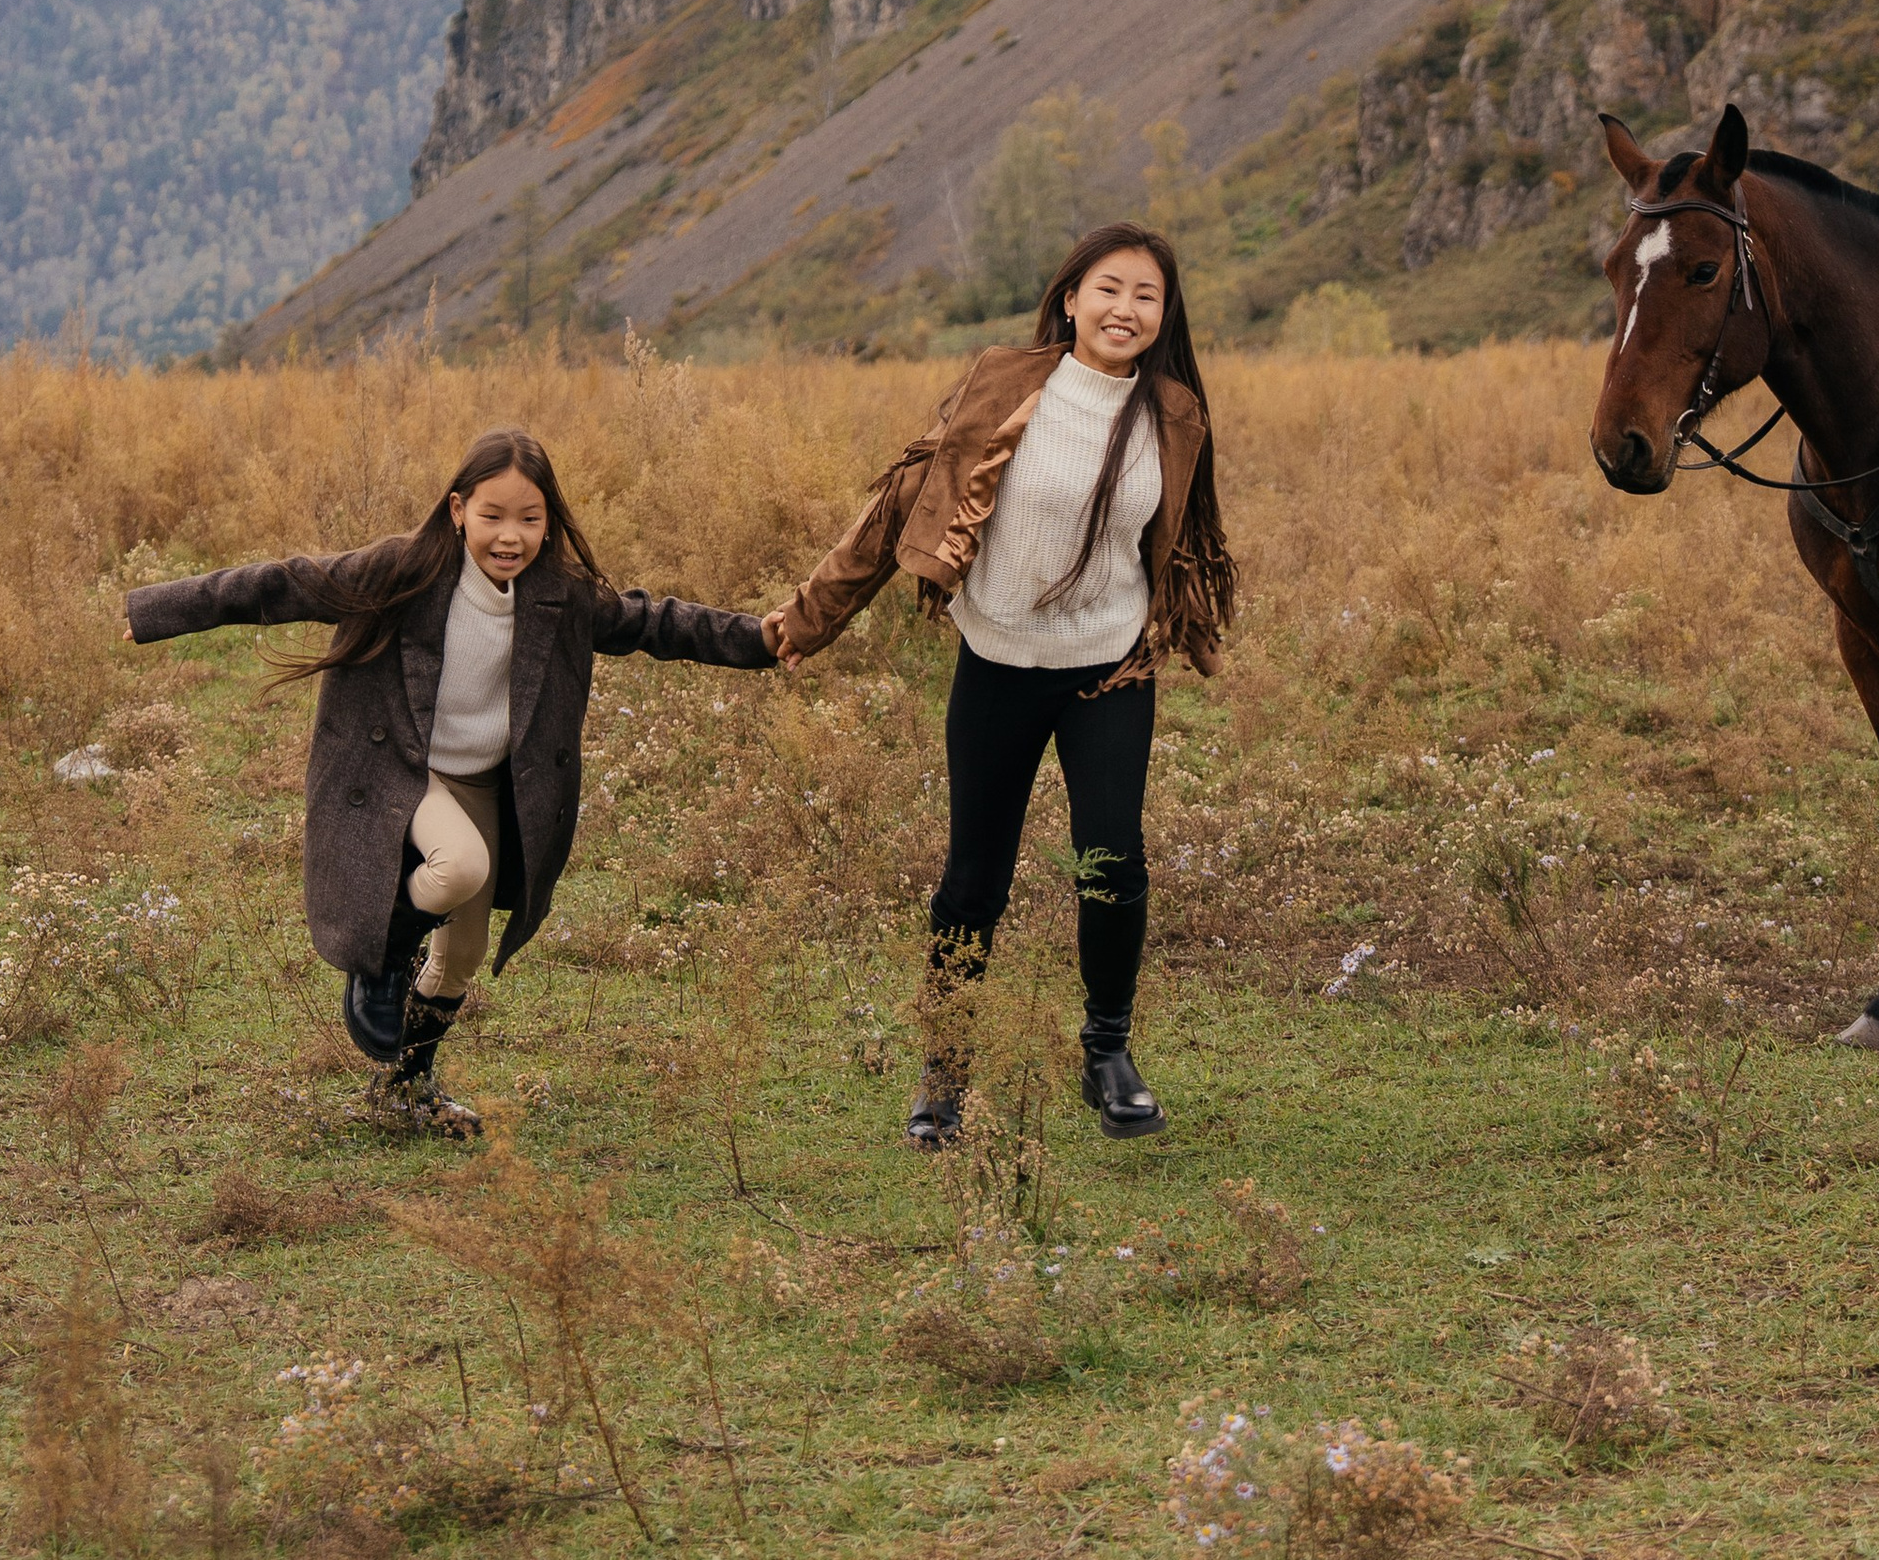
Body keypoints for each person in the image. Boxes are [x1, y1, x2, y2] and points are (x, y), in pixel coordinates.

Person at [121, 427, 771, 1132]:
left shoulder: (563, 597)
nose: (510, 536)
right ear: (459, 509)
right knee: (460, 866)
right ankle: (382, 953)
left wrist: (763, 638)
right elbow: (284, 583)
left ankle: (404, 1087)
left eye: (529, 518)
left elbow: (657, 623)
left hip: (489, 785)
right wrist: (158, 611)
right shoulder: (405, 571)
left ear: (549, 521)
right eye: (493, 515)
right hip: (406, 772)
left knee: (460, 956)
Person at [763, 222, 1235, 1146]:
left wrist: (1191, 629)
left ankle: (1107, 1055)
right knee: (972, 880)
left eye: (1147, 295)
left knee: (1112, 864)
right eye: (1109, 288)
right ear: (1070, 297)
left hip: (1110, 666)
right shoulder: (1005, 385)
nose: (1125, 308)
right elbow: (901, 503)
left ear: (1164, 314)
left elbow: (1186, 539)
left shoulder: (1175, 414)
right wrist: (811, 616)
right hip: (1001, 663)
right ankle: (944, 1070)